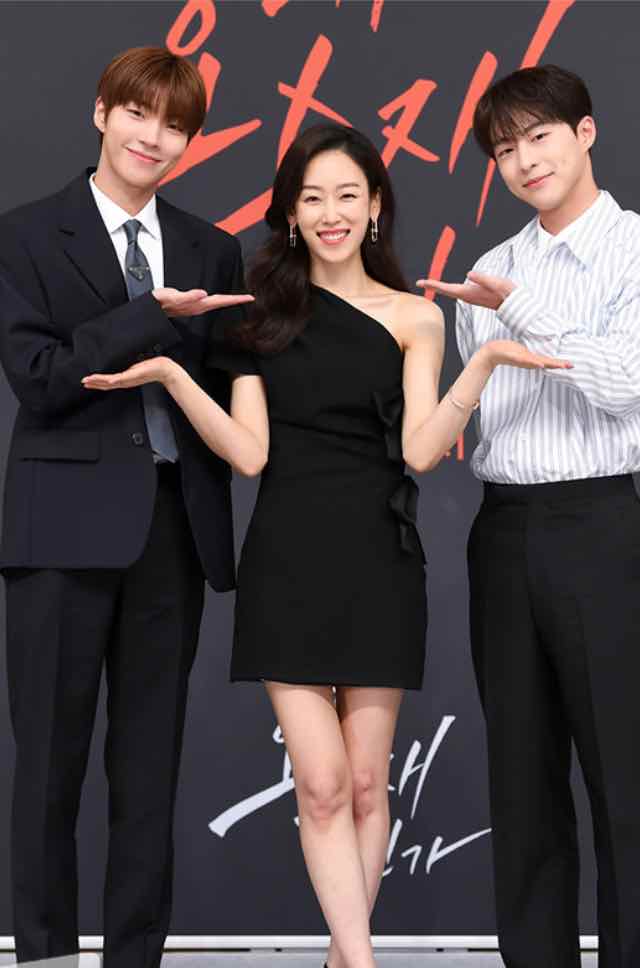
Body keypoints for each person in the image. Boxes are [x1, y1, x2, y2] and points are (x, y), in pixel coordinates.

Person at [83, 123, 568, 968]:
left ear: (375, 206)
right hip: (287, 559)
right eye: (313, 198)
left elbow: (421, 451)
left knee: (369, 784)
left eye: (347, 195)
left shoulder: (416, 315)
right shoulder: (257, 316)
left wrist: (483, 360)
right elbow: (248, 455)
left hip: (382, 559)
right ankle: (363, 961)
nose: (330, 213)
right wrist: (172, 374)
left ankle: (345, 959)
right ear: (291, 213)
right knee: (322, 783)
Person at [0, 46, 252, 968]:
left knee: (150, 768)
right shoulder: (25, 234)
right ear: (102, 113)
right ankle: (44, 953)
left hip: (172, 531)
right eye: (139, 114)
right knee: (49, 764)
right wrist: (152, 316)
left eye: (177, 125)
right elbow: (39, 380)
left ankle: (136, 956)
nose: (155, 137)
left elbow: (227, 393)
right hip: (59, 532)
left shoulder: (211, 246)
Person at [419, 65, 640, 968]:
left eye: (540, 136)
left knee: (624, 772)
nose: (524, 161)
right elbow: (481, 414)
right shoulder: (492, 266)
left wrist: (520, 310)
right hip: (503, 530)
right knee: (521, 774)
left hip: (604, 524)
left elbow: (622, 386)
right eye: (505, 149)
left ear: (585, 133)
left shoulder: (631, 249)